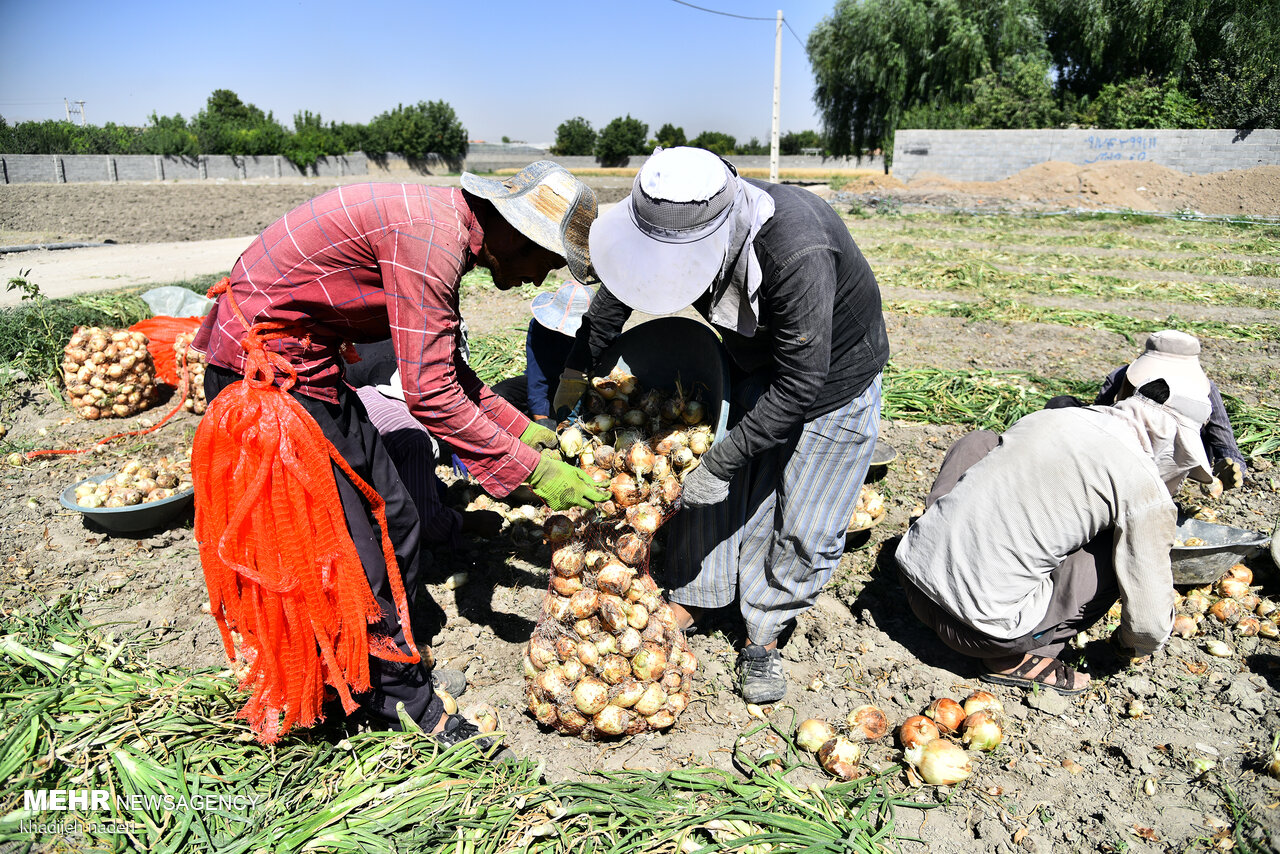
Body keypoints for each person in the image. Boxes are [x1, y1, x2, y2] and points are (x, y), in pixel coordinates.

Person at [191, 164, 609, 745]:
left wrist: (519, 430)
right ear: (515, 232)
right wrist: (531, 471)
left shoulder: (442, 228)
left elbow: (447, 370)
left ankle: (393, 655)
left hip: (311, 369)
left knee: (397, 515)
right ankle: (398, 700)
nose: (541, 273)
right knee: (358, 552)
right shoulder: (431, 239)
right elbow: (431, 394)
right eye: (547, 257)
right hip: (266, 378)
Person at [555, 146, 890, 704]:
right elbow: (609, 311)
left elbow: (801, 383)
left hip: (832, 379)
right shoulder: (661, 233)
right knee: (712, 500)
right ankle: (701, 596)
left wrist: (722, 460)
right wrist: (569, 393)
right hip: (752, 360)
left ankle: (766, 633)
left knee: (806, 518)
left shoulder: (794, 247)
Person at [893, 346, 1216, 695]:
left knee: (981, 442)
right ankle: (1018, 659)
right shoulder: (1144, 489)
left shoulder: (1050, 418)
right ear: (1176, 439)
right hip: (978, 635)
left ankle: (939, 561)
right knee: (1116, 550)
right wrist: (1127, 646)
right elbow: (1150, 624)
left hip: (911, 582)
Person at [1047, 329, 1245, 491]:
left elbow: (1225, 444)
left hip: (1173, 464)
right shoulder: (1121, 376)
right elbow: (1100, 418)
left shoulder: (1206, 390)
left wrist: (1230, 469)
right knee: (1061, 405)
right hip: (1123, 457)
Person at [491, 280, 594, 427]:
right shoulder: (540, 327)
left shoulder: (598, 334)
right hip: (549, 384)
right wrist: (542, 421)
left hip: (583, 389)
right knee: (499, 395)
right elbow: (537, 377)